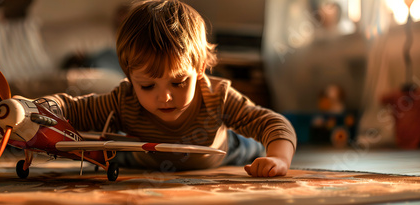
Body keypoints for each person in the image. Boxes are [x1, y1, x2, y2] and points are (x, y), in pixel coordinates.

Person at [23, 0, 296, 177]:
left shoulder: (217, 96)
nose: (165, 96)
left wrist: (279, 159)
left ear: (200, 69)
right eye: (147, 85)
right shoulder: (123, 100)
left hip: (226, 152)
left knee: (255, 149)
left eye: (178, 83)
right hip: (143, 160)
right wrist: (32, 110)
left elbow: (273, 122)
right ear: (129, 77)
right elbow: (72, 108)